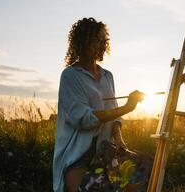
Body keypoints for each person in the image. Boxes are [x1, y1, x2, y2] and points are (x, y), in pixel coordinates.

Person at [53, 17, 144, 192]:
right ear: (84, 42)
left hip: (106, 152)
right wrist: (127, 107)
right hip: (78, 156)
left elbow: (114, 114)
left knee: (136, 182)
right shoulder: (70, 76)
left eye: (105, 41)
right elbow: (83, 118)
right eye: (99, 41)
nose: (104, 45)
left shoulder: (107, 76)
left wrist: (119, 139)